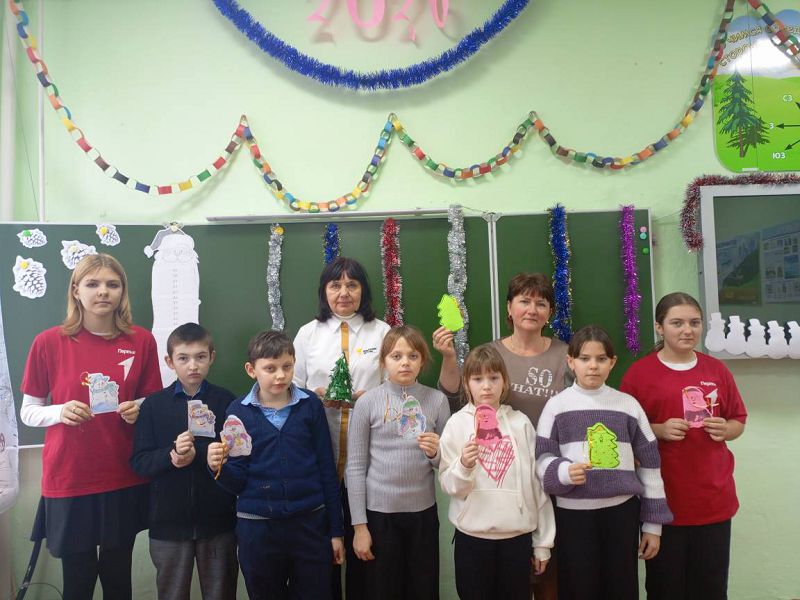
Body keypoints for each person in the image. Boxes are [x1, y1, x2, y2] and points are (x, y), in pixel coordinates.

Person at [19, 253, 162, 600]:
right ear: (76, 290)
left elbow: (154, 402)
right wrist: (60, 411)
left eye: (112, 284)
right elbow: (28, 412)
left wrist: (139, 409)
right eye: (93, 284)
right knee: (78, 582)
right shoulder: (48, 341)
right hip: (70, 477)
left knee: (118, 580)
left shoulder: (142, 340)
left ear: (122, 291)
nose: (103, 292)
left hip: (123, 474)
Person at [433, 272, 569, 598]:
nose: (532, 309)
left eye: (541, 303)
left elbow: (536, 482)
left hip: (546, 486)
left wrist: (542, 541)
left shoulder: (564, 358)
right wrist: (449, 356)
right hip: (476, 526)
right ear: (509, 307)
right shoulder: (488, 359)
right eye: (524, 301)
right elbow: (451, 478)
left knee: (546, 586)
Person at [620, 292, 747, 600]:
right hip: (663, 504)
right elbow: (623, 432)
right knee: (665, 588)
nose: (687, 330)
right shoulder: (639, 374)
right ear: (659, 327)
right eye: (677, 323)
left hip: (713, 500)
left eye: (694, 323)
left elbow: (738, 421)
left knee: (711, 588)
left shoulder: (716, 370)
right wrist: (658, 429)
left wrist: (726, 429)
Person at [536, 325, 673, 600]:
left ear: (612, 362)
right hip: (573, 518)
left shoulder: (628, 406)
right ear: (571, 362)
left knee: (621, 587)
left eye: (601, 359)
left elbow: (650, 465)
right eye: (584, 358)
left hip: (621, 515)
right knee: (578, 587)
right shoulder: (556, 406)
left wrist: (652, 525)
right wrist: (563, 472)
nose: (593, 366)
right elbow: (542, 459)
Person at [207, 330, 344, 600]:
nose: (280, 375)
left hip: (309, 524)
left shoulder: (310, 405)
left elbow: (327, 468)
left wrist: (335, 531)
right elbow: (237, 481)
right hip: (258, 530)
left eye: (287, 367)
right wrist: (217, 467)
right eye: (270, 368)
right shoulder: (238, 412)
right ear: (251, 370)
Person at [293, 256, 390, 600]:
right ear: (324, 291)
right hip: (319, 459)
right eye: (335, 285)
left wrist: (372, 398)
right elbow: (291, 388)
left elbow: (396, 387)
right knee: (324, 559)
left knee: (368, 557)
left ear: (364, 290)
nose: (344, 293)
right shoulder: (308, 334)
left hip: (372, 463)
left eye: (352, 285)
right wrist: (315, 398)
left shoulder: (383, 332)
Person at [131, 323, 238, 600]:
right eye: (183, 358)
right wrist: (172, 454)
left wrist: (202, 455)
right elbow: (140, 462)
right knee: (172, 594)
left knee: (221, 593)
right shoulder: (153, 405)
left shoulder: (227, 401)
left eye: (200, 357)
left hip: (218, 522)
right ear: (170, 361)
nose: (193, 365)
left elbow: (239, 455)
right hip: (168, 524)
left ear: (212, 357)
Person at [439, 344, 555, 600]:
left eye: (493, 378)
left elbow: (536, 485)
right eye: (477, 379)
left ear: (505, 382)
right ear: (466, 384)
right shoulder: (456, 424)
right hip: (472, 538)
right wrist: (464, 465)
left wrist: (542, 544)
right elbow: (449, 485)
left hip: (517, 538)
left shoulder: (521, 423)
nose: (486, 386)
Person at [345, 325, 450, 600]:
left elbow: (447, 463)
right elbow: (355, 467)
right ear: (383, 362)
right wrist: (359, 527)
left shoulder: (437, 400)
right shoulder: (367, 403)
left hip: (422, 515)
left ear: (422, 361)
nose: (405, 362)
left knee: (422, 589)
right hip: (379, 517)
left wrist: (435, 453)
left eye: (413, 356)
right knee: (383, 589)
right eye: (396, 356)